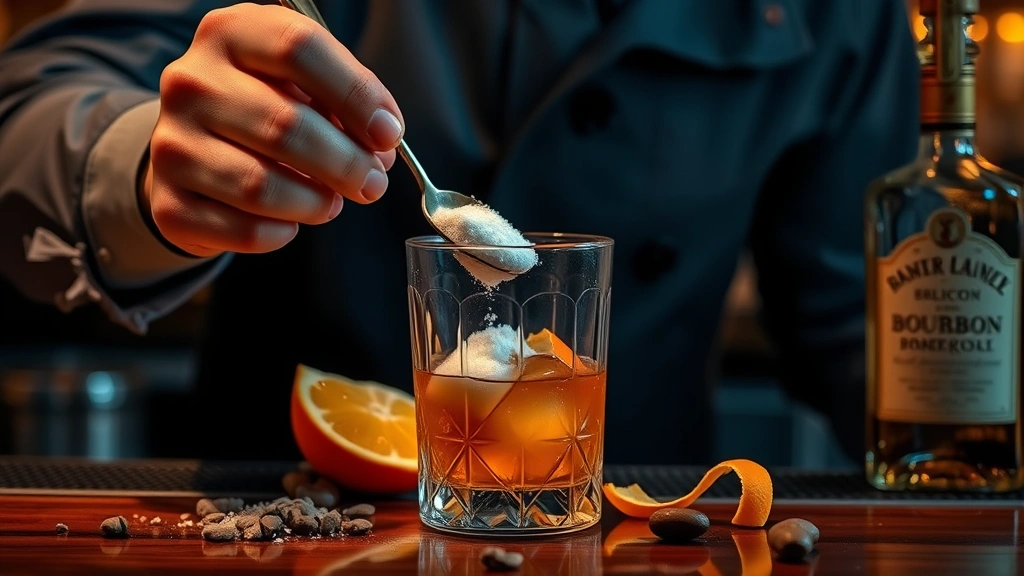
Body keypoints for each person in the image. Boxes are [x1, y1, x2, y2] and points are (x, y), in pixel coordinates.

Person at [0, 1, 919, 464]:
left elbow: (856, 316)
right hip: (301, 522)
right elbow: (31, 108)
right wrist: (143, 167)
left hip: (641, 531)